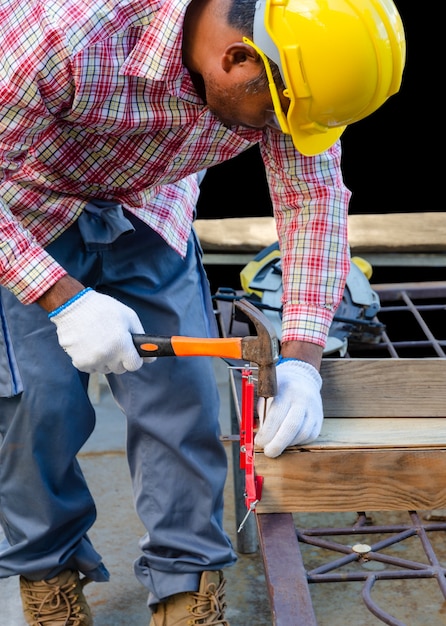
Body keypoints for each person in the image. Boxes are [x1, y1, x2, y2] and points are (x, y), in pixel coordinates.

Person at [0, 0, 405, 624]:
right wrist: (62, 298)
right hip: (22, 209)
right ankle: (45, 569)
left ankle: (185, 575)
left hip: (146, 201)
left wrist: (303, 360)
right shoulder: (60, 37)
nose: (281, 130)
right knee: (40, 403)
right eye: (275, 114)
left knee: (183, 394)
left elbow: (312, 201)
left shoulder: (293, 68)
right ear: (237, 60)